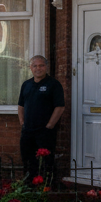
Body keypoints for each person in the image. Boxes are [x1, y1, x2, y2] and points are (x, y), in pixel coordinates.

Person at [18, 55, 64, 184]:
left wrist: (49, 125)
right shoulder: (26, 84)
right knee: (28, 160)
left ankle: (48, 187)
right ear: (30, 68)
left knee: (47, 161)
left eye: (41, 65)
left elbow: (60, 107)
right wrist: (22, 122)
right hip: (27, 130)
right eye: (35, 66)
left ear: (46, 67)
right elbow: (20, 105)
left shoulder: (53, 84)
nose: (38, 68)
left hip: (45, 132)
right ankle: (29, 186)